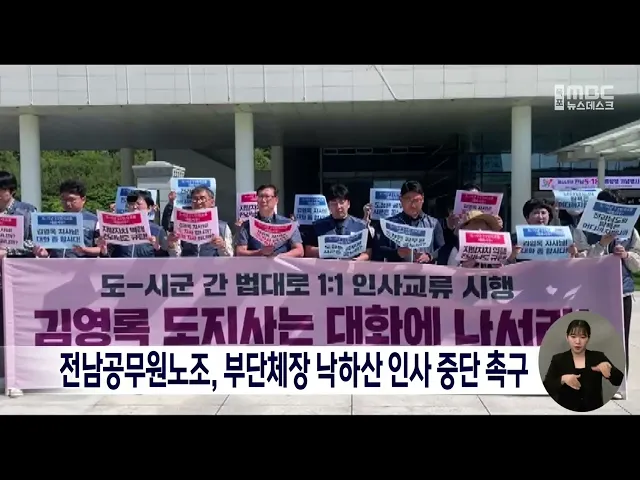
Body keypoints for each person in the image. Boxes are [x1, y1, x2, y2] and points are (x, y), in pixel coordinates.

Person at [575, 189, 640, 395]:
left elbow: (638, 265)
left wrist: (626, 255)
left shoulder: (631, 232)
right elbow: (582, 262)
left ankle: (617, 384)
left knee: (619, 339)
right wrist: (601, 245)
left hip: (622, 293)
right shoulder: (583, 230)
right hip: (592, 293)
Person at [543, 319, 624, 412]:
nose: (577, 341)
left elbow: (619, 380)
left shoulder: (598, 357)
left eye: (582, 337)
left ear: (588, 338)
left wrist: (610, 371)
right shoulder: (558, 359)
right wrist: (563, 379)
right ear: (567, 337)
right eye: (573, 337)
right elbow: (547, 386)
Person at [374, 180, 444, 263]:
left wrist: (429, 256)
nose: (413, 205)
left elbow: (442, 250)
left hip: (424, 270)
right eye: (408, 200)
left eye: (416, 200)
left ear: (423, 199)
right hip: (397, 270)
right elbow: (378, 250)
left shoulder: (433, 223)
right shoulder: (388, 224)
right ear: (401, 199)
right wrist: (396, 253)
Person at [33, 180, 102, 259]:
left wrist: (85, 250)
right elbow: (48, 249)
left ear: (83, 199)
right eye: (64, 199)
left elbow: (100, 249)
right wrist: (43, 253)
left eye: (72, 200)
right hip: (56, 265)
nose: (68, 204)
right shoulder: (55, 220)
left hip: (83, 265)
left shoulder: (94, 221)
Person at [304, 183, 372, 261]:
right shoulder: (317, 226)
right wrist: (329, 251)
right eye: (334, 203)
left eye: (341, 202)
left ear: (348, 204)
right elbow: (308, 250)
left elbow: (368, 251)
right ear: (328, 205)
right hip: (326, 267)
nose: (338, 207)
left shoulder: (361, 226)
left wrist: (357, 260)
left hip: (352, 267)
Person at [235, 184, 304, 258]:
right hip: (256, 265)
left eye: (267, 196)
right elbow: (240, 252)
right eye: (260, 196)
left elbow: (299, 251)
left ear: (276, 200)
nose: (263, 200)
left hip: (281, 264)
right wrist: (261, 252)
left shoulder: (288, 224)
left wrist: (278, 257)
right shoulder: (247, 225)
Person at [98, 190, 169, 258]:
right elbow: (109, 257)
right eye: (131, 204)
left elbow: (166, 259)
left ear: (149, 208)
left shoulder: (158, 231)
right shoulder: (118, 228)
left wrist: (158, 249)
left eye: (138, 204)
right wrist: (104, 251)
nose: (134, 207)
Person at [167, 185, 233, 257]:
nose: (198, 202)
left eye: (203, 198)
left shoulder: (222, 227)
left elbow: (229, 257)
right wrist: (172, 245)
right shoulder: (183, 225)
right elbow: (176, 256)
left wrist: (222, 246)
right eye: (195, 199)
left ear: (212, 202)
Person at [507, 198, 579, 263]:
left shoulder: (563, 238)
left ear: (549, 216)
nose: (540, 217)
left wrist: (572, 255)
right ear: (527, 218)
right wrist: (512, 256)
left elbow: (568, 265)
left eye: (543, 213)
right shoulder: (515, 239)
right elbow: (506, 265)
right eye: (536, 213)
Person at [0, 171, 37, 259]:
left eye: (2, 189)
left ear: (12, 191)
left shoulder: (27, 211)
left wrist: (8, 250)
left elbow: (35, 242)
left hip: (18, 263)